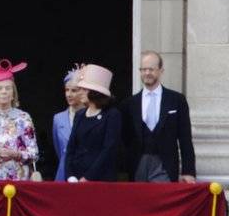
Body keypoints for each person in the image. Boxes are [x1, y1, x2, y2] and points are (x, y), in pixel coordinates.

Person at [120, 51, 197, 183]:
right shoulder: (129, 104)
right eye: (143, 69)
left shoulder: (176, 100)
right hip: (137, 166)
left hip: (165, 166)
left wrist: (188, 171)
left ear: (161, 71)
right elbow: (124, 140)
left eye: (151, 69)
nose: (147, 73)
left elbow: (185, 138)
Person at [64, 64, 123, 183]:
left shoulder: (112, 115)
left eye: (84, 89)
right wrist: (70, 175)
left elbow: (108, 150)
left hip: (100, 180)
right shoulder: (80, 115)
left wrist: (88, 177)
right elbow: (71, 148)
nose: (80, 93)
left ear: (95, 92)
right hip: (76, 179)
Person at [51, 65, 85, 181]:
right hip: (63, 173)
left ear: (84, 91)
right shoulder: (58, 118)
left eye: (74, 90)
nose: (68, 94)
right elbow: (58, 149)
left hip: (85, 174)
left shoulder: (91, 116)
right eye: (67, 90)